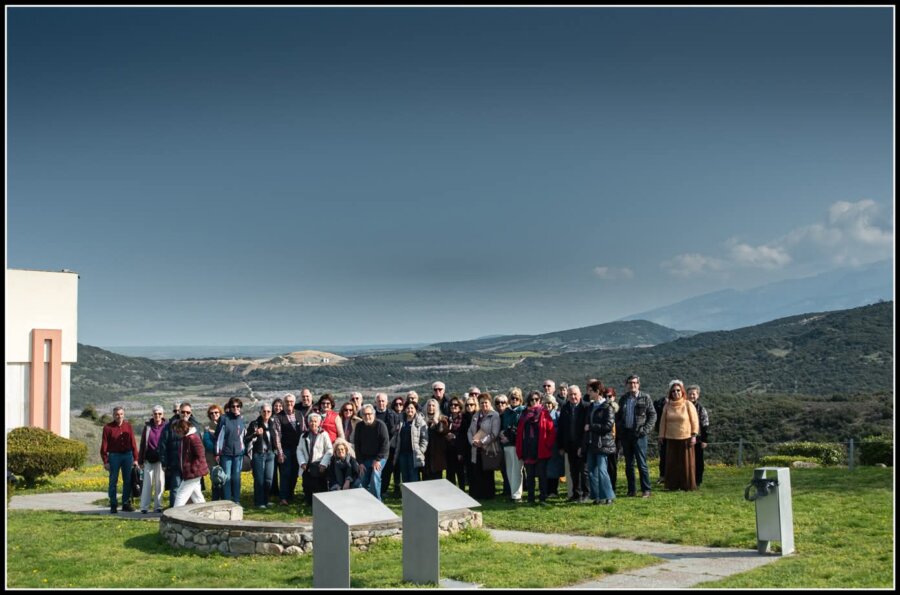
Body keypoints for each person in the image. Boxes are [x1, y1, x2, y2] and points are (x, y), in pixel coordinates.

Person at [616, 375, 657, 498]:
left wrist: (645, 430)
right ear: (627, 385)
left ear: (638, 384)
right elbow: (618, 416)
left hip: (639, 436)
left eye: (634, 383)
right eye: (630, 383)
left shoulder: (645, 397)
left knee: (641, 464)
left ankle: (646, 490)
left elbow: (653, 415)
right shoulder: (623, 399)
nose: (632, 385)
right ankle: (631, 490)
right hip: (626, 435)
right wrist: (620, 428)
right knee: (629, 465)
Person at [160, 402, 203, 508]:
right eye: (183, 412)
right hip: (175, 463)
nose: (185, 414)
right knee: (177, 489)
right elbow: (162, 445)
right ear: (179, 412)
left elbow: (200, 451)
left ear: (191, 413)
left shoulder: (195, 427)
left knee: (191, 493)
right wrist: (164, 462)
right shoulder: (170, 426)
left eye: (188, 412)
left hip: (191, 467)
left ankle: (186, 512)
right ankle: (175, 512)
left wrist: (195, 467)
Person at [659, 380, 699, 491]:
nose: (676, 393)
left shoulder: (688, 404)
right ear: (670, 393)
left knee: (686, 464)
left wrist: (694, 435)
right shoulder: (667, 406)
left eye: (678, 390)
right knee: (672, 463)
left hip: (686, 438)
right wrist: (661, 435)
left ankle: (687, 485)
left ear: (682, 392)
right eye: (673, 391)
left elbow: (694, 421)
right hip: (671, 438)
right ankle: (672, 485)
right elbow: (663, 422)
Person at [516, 391, 556, 506]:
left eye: (536, 399)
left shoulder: (544, 413)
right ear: (528, 401)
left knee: (542, 476)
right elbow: (520, 432)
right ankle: (530, 498)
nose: (534, 401)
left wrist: (547, 445)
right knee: (530, 476)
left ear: (540, 400)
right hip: (528, 449)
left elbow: (551, 431)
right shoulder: (524, 414)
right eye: (532, 399)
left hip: (541, 449)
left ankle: (543, 498)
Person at [100, 406, 140, 514]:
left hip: (128, 456)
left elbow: (133, 442)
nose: (119, 416)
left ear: (124, 414)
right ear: (113, 415)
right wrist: (105, 461)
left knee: (128, 481)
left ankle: (126, 503)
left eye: (121, 414)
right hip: (114, 456)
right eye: (117, 414)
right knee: (113, 481)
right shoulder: (108, 428)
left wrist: (136, 458)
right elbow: (104, 445)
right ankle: (113, 504)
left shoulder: (128, 426)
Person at [244, 404, 283, 508]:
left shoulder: (273, 424)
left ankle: (266, 500)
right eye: (264, 411)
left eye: (268, 411)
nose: (266, 413)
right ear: (260, 412)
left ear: (271, 413)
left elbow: (277, 438)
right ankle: (259, 502)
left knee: (269, 479)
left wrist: (279, 452)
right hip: (258, 454)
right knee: (259, 479)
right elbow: (246, 439)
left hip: (270, 454)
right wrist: (255, 434)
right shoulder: (255, 424)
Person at [585, 380, 617, 505]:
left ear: (597, 392)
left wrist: (591, 427)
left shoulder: (608, 407)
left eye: (590, 391)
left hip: (602, 443)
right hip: (591, 443)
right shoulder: (591, 407)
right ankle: (597, 496)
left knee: (602, 470)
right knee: (591, 470)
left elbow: (608, 426)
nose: (588, 393)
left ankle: (608, 496)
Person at [557, 384, 590, 502]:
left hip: (582, 444)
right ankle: (576, 494)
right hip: (570, 445)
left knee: (584, 471)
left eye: (575, 394)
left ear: (580, 394)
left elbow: (587, 429)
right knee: (573, 471)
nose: (573, 397)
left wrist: (583, 445)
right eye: (570, 394)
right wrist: (561, 446)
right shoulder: (565, 407)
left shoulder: (586, 407)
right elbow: (561, 428)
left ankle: (586, 493)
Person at [353, 404, 391, 501]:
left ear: (373, 414)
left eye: (369, 414)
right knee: (362, 479)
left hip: (380, 457)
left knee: (375, 475)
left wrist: (377, 460)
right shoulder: (359, 426)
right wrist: (360, 463)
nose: (367, 416)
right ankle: (365, 502)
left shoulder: (380, 425)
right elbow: (357, 446)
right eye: (365, 414)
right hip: (365, 458)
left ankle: (377, 501)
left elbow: (385, 445)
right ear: (362, 416)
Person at [467, 393, 500, 500]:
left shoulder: (494, 415)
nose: (484, 405)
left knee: (487, 473)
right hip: (476, 449)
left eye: (486, 402)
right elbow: (469, 431)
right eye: (481, 403)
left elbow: (494, 433)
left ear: (490, 403)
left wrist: (482, 442)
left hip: (488, 448)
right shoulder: (475, 416)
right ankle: (479, 494)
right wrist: (472, 442)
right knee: (477, 472)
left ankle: (489, 495)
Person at [214, 397, 247, 504]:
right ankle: (227, 501)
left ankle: (236, 500)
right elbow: (219, 436)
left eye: (238, 406)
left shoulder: (241, 419)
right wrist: (217, 453)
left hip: (238, 453)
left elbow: (242, 436)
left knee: (236, 478)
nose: (236, 408)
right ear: (230, 407)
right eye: (233, 406)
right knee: (226, 478)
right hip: (226, 453)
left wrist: (243, 449)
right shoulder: (224, 419)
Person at [297, 412, 333, 505]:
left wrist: (324, 464)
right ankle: (308, 501)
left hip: (319, 464)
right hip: (307, 465)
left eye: (315, 421)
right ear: (308, 422)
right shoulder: (303, 435)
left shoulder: (324, 434)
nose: (313, 423)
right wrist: (302, 462)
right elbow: (299, 450)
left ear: (319, 423)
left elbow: (329, 450)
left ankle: (321, 504)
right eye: (311, 421)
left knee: (320, 485)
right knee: (307, 485)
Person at [172, 419, 210, 506]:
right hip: (191, 473)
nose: (176, 433)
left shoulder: (193, 438)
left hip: (192, 473)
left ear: (183, 428)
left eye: (177, 430)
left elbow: (200, 455)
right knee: (197, 497)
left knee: (180, 495)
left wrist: (193, 469)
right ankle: (204, 512)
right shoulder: (185, 439)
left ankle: (175, 513)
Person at [137, 405, 167, 513]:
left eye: (159, 414)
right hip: (148, 459)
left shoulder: (166, 426)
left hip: (161, 460)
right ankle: (144, 507)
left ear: (163, 415)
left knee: (160, 483)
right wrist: (140, 460)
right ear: (152, 415)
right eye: (155, 414)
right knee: (147, 484)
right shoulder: (148, 427)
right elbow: (142, 444)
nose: (157, 416)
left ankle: (158, 506)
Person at [276, 393, 304, 506]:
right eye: (287, 401)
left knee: (294, 473)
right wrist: (280, 452)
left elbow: (303, 430)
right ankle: (283, 497)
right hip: (285, 449)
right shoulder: (279, 416)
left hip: (298, 449)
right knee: (285, 473)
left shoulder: (299, 414)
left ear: (294, 402)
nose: (289, 403)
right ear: (283, 403)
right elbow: (277, 436)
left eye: (291, 401)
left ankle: (290, 495)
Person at [499, 387, 525, 502]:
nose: (514, 400)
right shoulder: (506, 412)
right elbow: (503, 426)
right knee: (509, 470)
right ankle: (512, 493)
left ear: (520, 399)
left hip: (517, 444)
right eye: (512, 398)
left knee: (517, 470)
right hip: (506, 445)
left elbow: (520, 429)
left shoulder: (523, 411)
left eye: (516, 398)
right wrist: (502, 434)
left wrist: (509, 436)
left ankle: (517, 495)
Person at [394, 400, 428, 486]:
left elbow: (424, 438)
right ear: (405, 409)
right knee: (404, 476)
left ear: (416, 409)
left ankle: (415, 494)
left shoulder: (420, 421)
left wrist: (421, 450)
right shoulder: (401, 420)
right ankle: (406, 494)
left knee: (414, 476)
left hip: (414, 454)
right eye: (408, 408)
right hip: (402, 453)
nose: (410, 410)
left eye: (412, 408)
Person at [374, 393, 402, 497]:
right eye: (379, 401)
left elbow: (395, 432)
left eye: (383, 401)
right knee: (376, 470)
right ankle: (376, 490)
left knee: (387, 470)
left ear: (387, 402)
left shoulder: (393, 415)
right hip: (375, 447)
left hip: (389, 447)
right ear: (375, 402)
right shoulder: (371, 413)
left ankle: (383, 490)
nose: (381, 403)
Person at [542, 394, 565, 498]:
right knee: (545, 468)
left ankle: (554, 491)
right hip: (544, 446)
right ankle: (546, 490)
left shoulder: (558, 415)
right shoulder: (541, 415)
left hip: (555, 446)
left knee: (555, 469)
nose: (547, 405)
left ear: (553, 404)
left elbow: (561, 431)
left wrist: (561, 446)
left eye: (549, 403)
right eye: (545, 403)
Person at [686, 385, 710, 485]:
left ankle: (698, 481)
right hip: (685, 438)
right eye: (690, 394)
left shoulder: (701, 409)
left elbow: (705, 425)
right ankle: (687, 480)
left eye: (694, 394)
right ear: (686, 395)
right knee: (686, 460)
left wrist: (704, 440)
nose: (692, 396)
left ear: (698, 395)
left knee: (698, 461)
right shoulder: (683, 406)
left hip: (698, 439)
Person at [423, 398, 449, 480]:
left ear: (436, 407)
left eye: (433, 405)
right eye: (429, 405)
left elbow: (444, 431)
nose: (431, 407)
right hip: (425, 453)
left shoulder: (442, 419)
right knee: (426, 478)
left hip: (437, 454)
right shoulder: (422, 419)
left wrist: (437, 423)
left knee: (437, 479)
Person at [202, 404, 224, 501]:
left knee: (224, 477)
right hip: (211, 457)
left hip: (224, 455)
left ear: (220, 413)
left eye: (216, 412)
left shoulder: (224, 425)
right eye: (211, 413)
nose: (214, 414)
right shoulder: (207, 428)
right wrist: (218, 449)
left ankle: (225, 498)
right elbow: (207, 443)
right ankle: (215, 499)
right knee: (215, 478)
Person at [445, 396, 467, 489]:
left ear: (460, 406)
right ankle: (451, 492)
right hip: (448, 449)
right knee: (450, 473)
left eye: (456, 405)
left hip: (459, 449)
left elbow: (464, 435)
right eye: (451, 405)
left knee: (460, 473)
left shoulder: (463, 419)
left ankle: (462, 492)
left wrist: (455, 436)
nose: (453, 406)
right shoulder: (447, 418)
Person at [492, 394, 512, 496]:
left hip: (509, 444)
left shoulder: (509, 414)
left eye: (503, 402)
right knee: (503, 468)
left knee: (510, 468)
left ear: (507, 403)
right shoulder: (495, 416)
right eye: (498, 402)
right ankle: (506, 489)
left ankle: (510, 489)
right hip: (498, 445)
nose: (500, 404)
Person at [603, 387, 620, 492]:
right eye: (605, 396)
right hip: (604, 441)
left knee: (612, 465)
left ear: (614, 397)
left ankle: (612, 487)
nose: (607, 398)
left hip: (615, 441)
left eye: (610, 396)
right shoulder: (602, 409)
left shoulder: (618, 410)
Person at [270, 398, 284, 500]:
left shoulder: (284, 418)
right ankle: (273, 492)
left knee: (283, 472)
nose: (278, 408)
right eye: (276, 406)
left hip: (283, 448)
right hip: (272, 449)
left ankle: (283, 492)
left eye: (280, 406)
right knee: (273, 472)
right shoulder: (269, 418)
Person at [653, 393, 668, 484]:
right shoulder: (660, 403)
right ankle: (663, 476)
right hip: (662, 434)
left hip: (675, 433)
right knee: (663, 455)